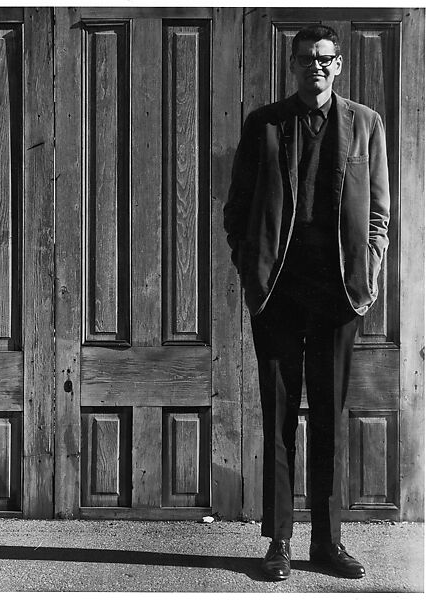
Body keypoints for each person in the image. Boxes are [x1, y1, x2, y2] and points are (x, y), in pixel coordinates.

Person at [224, 25, 390, 581]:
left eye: (325, 59)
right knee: (278, 415)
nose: (315, 67)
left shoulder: (366, 124)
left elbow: (378, 217)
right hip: (277, 292)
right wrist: (251, 266)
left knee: (329, 418)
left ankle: (329, 541)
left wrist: (367, 265)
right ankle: (279, 542)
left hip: (338, 293)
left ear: (338, 65)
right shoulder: (265, 125)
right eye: (305, 59)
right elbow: (237, 208)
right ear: (292, 66)